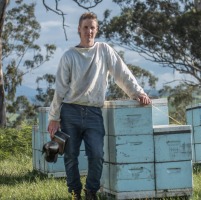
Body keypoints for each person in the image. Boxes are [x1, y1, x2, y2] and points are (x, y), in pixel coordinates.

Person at [47, 12, 151, 200]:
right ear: (79, 29)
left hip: (94, 112)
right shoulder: (69, 56)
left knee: (97, 154)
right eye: (85, 27)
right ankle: (75, 192)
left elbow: (122, 73)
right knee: (70, 156)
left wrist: (138, 93)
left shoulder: (104, 50)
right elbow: (60, 90)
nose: (89, 31)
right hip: (70, 111)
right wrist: (54, 117)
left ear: (97, 29)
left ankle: (91, 192)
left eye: (92, 27)